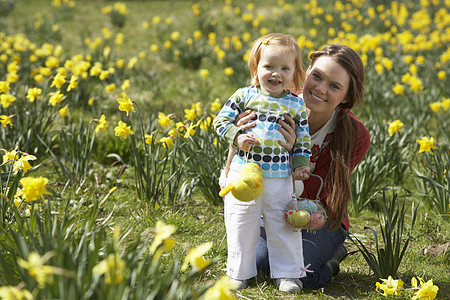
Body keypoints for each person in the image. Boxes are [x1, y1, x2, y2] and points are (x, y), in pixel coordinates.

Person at [253, 44, 371, 289]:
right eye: (316, 76)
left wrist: (294, 153)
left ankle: (332, 258)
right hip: (273, 210)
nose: (320, 88)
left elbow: (322, 193)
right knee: (259, 262)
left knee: (301, 274)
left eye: (334, 86)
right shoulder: (274, 106)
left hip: (321, 217)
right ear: (306, 71)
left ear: (347, 96)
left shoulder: (355, 135)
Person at [213, 33, 311, 293]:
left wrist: (301, 163)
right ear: (255, 68)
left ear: (294, 74)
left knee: (283, 223)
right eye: (269, 66)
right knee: (240, 221)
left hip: (279, 176)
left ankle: (288, 274)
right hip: (243, 174)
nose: (275, 73)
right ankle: (238, 272)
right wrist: (237, 136)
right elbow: (220, 122)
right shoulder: (243, 96)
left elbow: (302, 137)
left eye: (284, 68)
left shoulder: (295, 104)